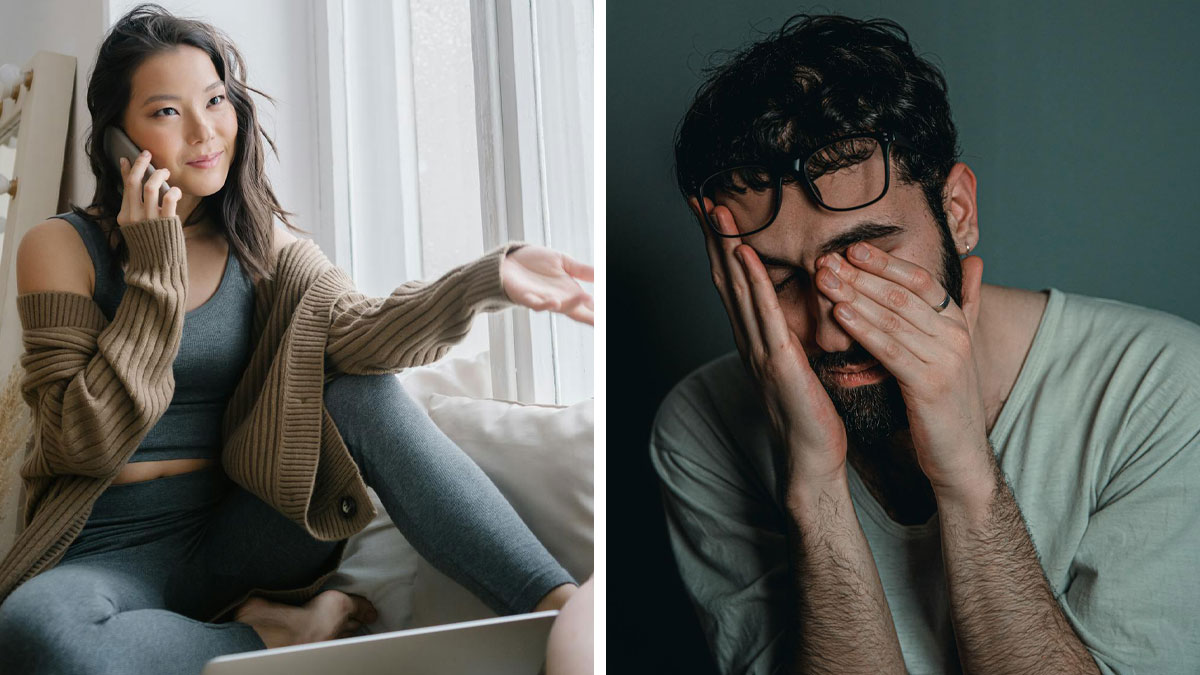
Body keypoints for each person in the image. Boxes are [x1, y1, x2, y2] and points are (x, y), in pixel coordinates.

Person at [0, 4, 592, 673]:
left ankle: (566, 608)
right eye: (166, 112)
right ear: (117, 138)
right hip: (102, 551)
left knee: (359, 391)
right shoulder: (59, 246)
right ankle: (285, 636)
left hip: (241, 538)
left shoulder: (262, 244)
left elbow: (363, 333)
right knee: (31, 630)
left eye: (215, 100)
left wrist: (489, 279)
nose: (204, 131)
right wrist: (155, 268)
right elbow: (82, 439)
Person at [651, 13, 1200, 674]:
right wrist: (816, 489)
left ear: (958, 215)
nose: (830, 328)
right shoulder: (702, 429)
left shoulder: (1167, 391)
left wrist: (968, 477)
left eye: (862, 259)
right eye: (780, 281)